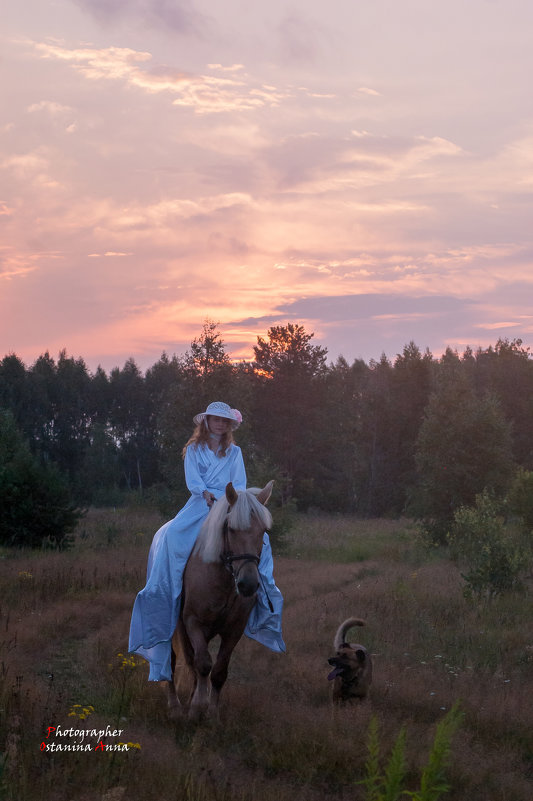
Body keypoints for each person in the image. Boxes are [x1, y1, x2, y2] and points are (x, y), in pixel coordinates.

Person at [128, 401, 285, 681]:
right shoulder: (194, 450)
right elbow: (192, 480)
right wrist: (204, 493)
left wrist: (232, 501)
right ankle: (164, 590)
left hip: (230, 502)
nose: (220, 425)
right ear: (207, 422)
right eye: (216, 420)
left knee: (260, 543)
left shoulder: (234, 452)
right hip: (201, 501)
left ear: (229, 426)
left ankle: (264, 596)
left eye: (225, 421)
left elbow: (239, 482)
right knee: (173, 535)